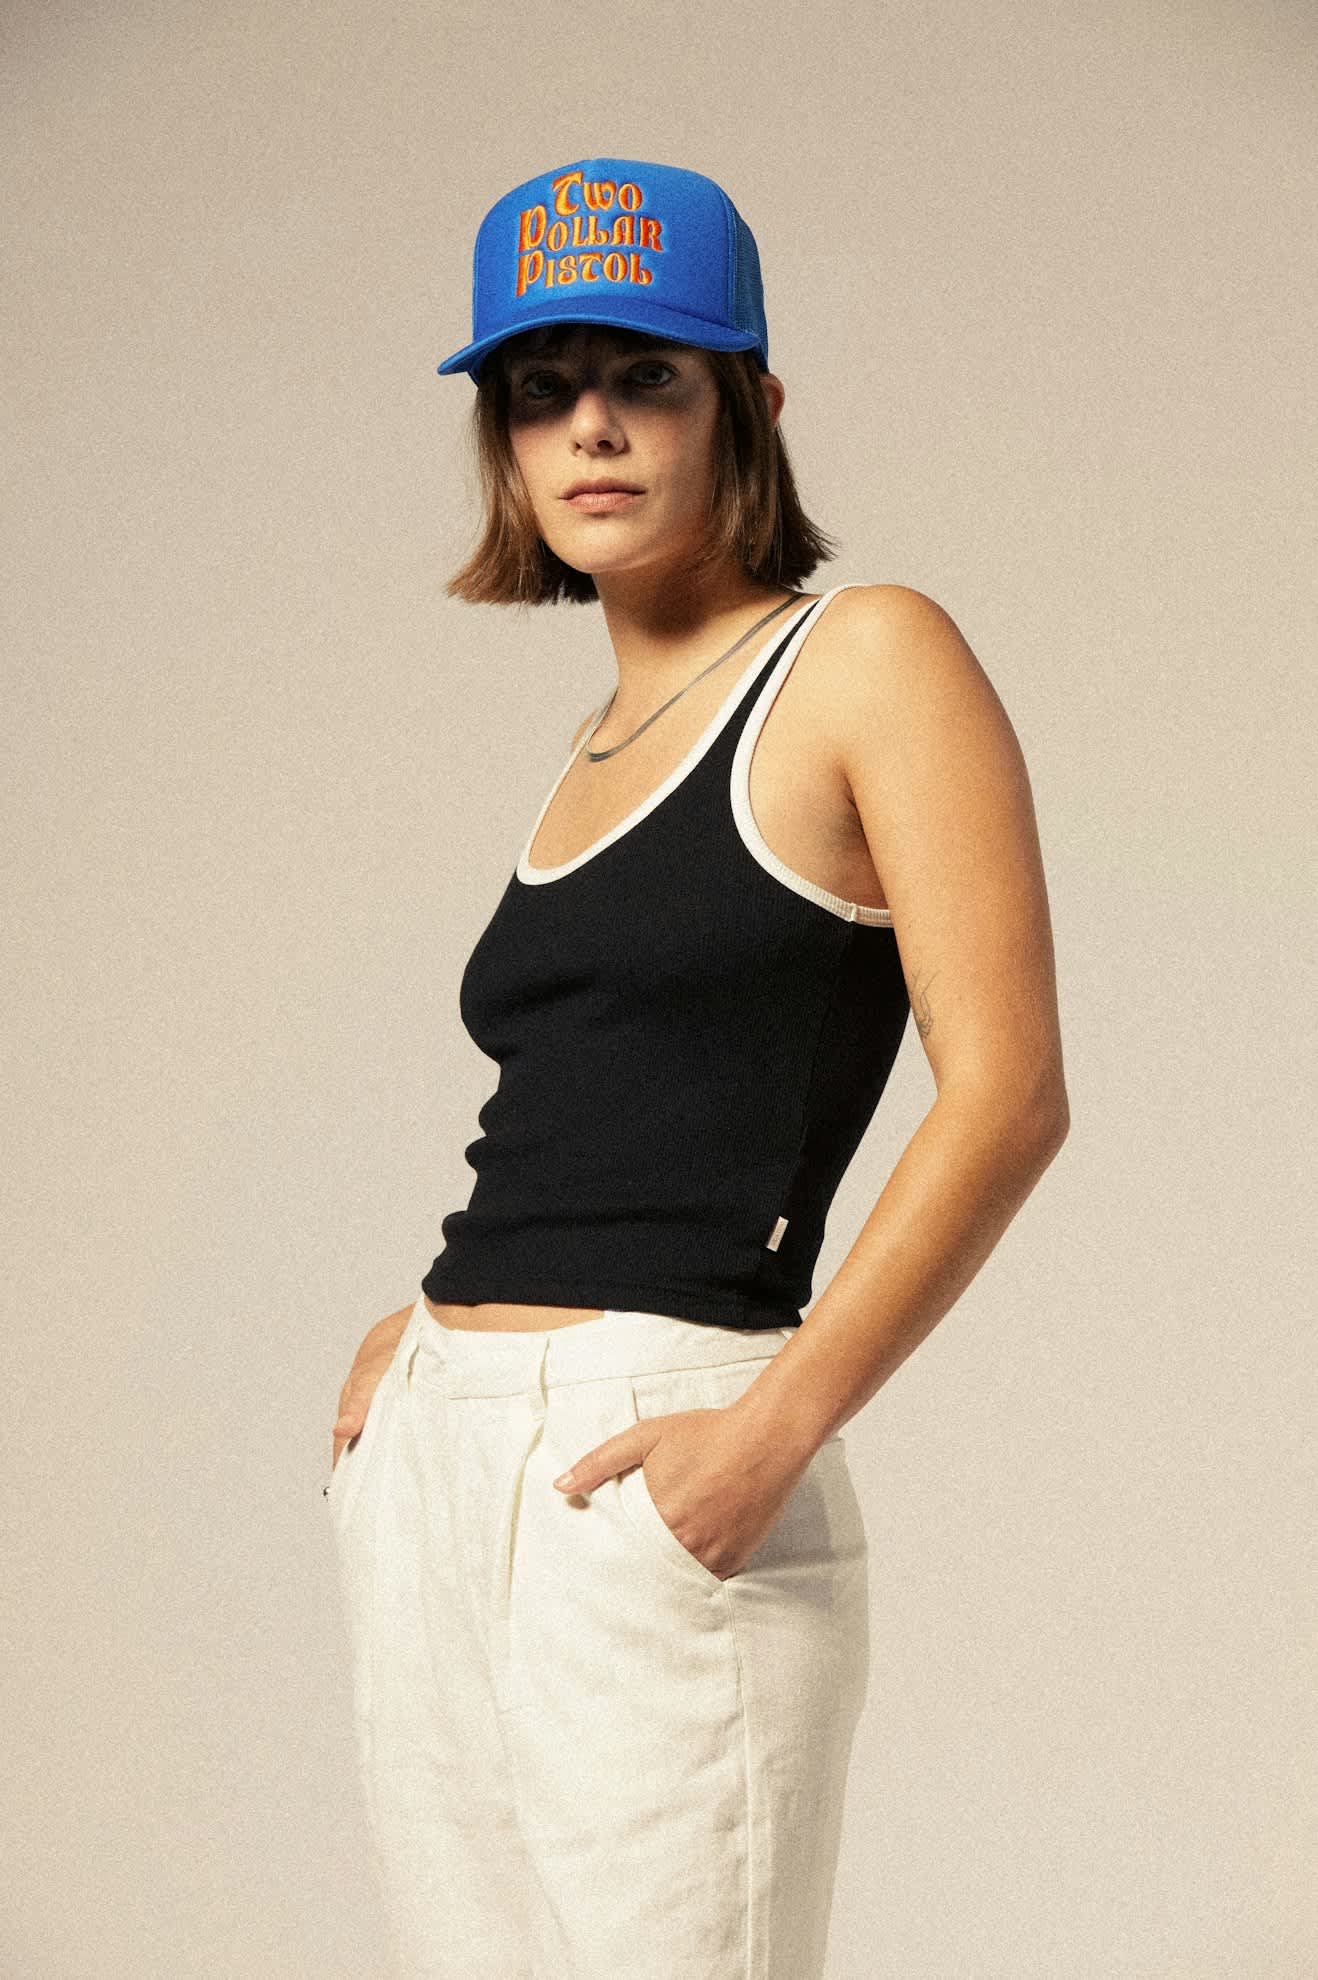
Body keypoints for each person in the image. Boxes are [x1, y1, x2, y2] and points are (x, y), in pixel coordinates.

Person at [324, 156, 1069, 1980]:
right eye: (540, 390)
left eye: (644, 376)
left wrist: (776, 1428)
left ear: (749, 402)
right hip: (441, 1455)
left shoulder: (864, 657)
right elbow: (603, 1093)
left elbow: (1006, 1094)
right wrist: (430, 1334)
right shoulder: (601, 732)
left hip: (653, 1437)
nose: (589, 428)